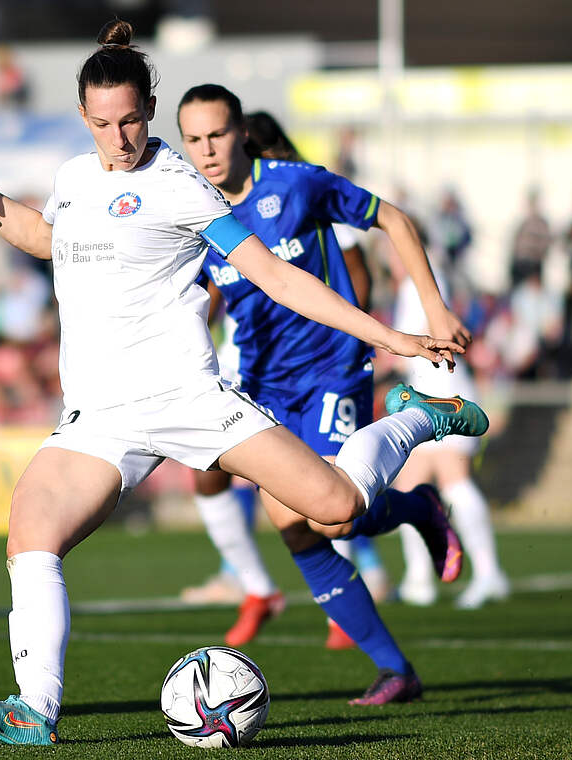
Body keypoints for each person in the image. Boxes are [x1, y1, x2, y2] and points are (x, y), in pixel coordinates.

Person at [0, 21, 486, 745]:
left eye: (131, 119)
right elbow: (47, 240)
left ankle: (417, 416)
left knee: (337, 508)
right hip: (100, 417)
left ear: (150, 110)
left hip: (189, 399)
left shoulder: (179, 185)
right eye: (103, 122)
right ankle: (33, 711)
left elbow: (273, 274)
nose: (119, 136)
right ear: (83, 118)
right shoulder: (75, 176)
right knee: (29, 541)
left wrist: (388, 338)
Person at [178, 105, 420, 652]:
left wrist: (380, 335)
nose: (208, 149)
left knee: (334, 517)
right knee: (297, 523)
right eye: (196, 139)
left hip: (332, 364)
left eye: (218, 135)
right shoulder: (193, 209)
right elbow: (210, 291)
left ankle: (419, 432)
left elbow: (366, 251)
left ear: (244, 137)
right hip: (262, 380)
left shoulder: (300, 187)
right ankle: (392, 667)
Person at [392, 267, 509, 609]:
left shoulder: (422, 277)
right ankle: (418, 580)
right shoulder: (411, 281)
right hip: (424, 392)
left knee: (454, 482)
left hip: (441, 392)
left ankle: (489, 574)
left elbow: (430, 330)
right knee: (409, 489)